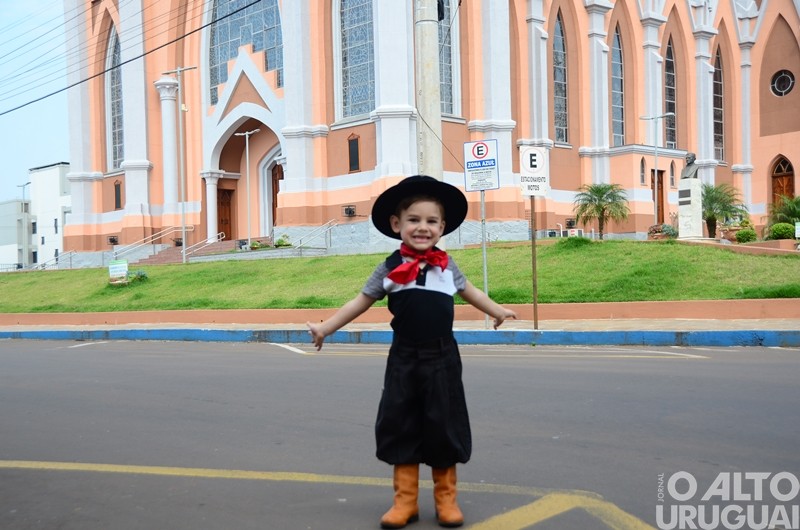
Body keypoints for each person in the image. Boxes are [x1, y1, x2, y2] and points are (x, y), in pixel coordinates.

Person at [307, 175, 517, 529]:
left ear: (442, 226)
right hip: (403, 358)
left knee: (443, 423)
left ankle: (445, 499)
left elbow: (471, 292)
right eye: (414, 220)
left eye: (431, 221)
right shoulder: (389, 268)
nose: (423, 227)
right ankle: (404, 501)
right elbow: (361, 301)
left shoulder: (447, 266)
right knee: (401, 424)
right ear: (396, 224)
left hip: (442, 358)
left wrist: (496, 310)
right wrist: (326, 327)